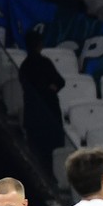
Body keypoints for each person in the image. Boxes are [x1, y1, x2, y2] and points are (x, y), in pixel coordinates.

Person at [18, 28, 65, 174]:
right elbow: (60, 82)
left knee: (37, 152)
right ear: (39, 45)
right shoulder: (43, 63)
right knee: (49, 152)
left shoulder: (24, 66)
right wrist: (50, 88)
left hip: (35, 114)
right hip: (47, 112)